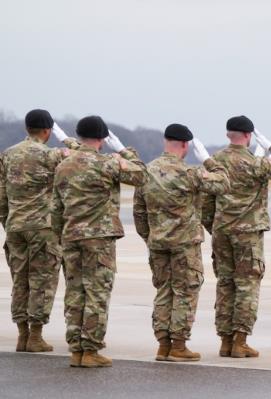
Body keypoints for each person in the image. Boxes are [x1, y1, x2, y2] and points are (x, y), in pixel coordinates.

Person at [51, 116, 147, 368]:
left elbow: (55, 207)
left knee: (75, 293)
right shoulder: (107, 164)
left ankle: (76, 349)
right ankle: (90, 349)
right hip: (99, 239)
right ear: (103, 139)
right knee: (97, 293)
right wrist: (124, 152)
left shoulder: (63, 165)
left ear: (79, 136)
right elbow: (142, 174)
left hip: (71, 236)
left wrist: (62, 233)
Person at [133, 123, 230, 362]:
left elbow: (139, 212)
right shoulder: (189, 173)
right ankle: (178, 345)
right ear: (186, 145)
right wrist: (209, 161)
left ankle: (163, 345)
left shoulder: (147, 172)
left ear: (166, 142)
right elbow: (223, 183)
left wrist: (150, 236)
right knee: (185, 292)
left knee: (163, 291)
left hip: (158, 244)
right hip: (185, 244)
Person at [202, 115, 271, 358]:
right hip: (247, 234)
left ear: (227, 134)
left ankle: (224, 341)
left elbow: (206, 202)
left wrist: (215, 226)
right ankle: (240, 341)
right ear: (248, 136)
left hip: (222, 232)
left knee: (225, 284)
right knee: (247, 285)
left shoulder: (215, 162)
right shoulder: (254, 162)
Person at [0, 109, 80, 353]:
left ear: (27, 129)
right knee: (42, 281)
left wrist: (8, 222)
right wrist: (66, 139)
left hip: (15, 227)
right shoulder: (52, 155)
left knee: (20, 281)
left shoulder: (8, 154)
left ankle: (22, 335)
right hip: (43, 227)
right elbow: (82, 156)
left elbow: (1, 196)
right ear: (47, 131)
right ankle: (35, 336)